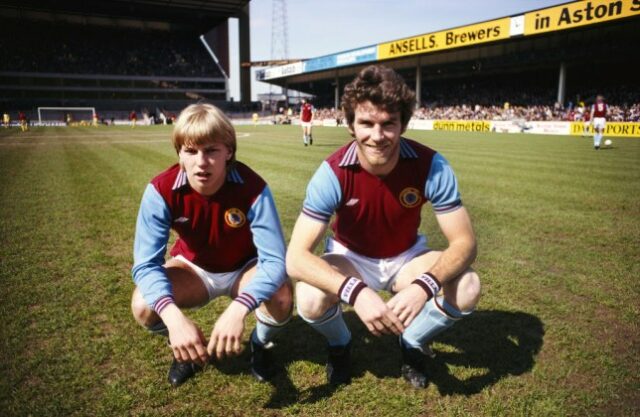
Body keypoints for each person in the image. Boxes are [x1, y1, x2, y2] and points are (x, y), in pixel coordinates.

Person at [286, 65, 481, 388]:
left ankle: (413, 342)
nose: (377, 136)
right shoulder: (332, 173)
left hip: (406, 257)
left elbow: (465, 243)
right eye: (366, 123)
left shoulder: (431, 165)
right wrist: (356, 292)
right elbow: (295, 258)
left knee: (467, 287)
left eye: (388, 124)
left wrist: (424, 286)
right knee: (308, 296)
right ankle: (340, 344)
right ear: (350, 125)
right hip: (351, 258)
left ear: (402, 124)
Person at [131, 103, 293, 387]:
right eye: (191, 151)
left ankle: (259, 344)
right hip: (193, 269)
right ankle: (185, 351)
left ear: (228, 151)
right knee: (144, 306)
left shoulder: (252, 187)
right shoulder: (160, 190)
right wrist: (174, 320)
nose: (201, 162)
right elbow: (145, 265)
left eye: (211, 151)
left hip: (245, 268)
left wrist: (239, 309)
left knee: (281, 298)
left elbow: (275, 261)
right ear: (180, 152)